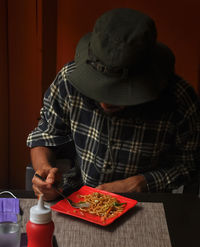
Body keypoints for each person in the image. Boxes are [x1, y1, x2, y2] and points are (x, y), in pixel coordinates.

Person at [27, 8, 200, 201]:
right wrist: (44, 170)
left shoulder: (178, 98)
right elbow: (45, 134)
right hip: (80, 198)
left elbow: (190, 164)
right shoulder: (69, 81)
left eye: (119, 91)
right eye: (98, 86)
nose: (105, 101)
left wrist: (141, 183)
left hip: (146, 205)